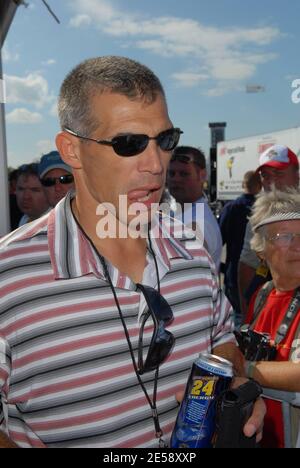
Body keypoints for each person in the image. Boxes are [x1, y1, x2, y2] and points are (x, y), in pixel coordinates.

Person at [0, 56, 264, 448]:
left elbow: (222, 335)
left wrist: (230, 387)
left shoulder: (192, 249)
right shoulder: (9, 276)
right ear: (72, 150)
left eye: (166, 140)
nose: (156, 165)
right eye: (129, 144)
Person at [241, 188, 300, 448]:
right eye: (285, 236)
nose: (298, 245)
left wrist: (242, 368)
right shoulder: (263, 294)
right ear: (261, 250)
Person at [238, 145, 299, 316]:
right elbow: (247, 264)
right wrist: (247, 315)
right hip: (274, 307)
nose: (272, 182)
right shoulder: (259, 215)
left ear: (297, 174)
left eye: (279, 174)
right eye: (265, 176)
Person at [167, 146, 223, 271]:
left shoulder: (197, 224)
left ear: (202, 176)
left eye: (184, 174)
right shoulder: (177, 211)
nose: (176, 179)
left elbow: (181, 274)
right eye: (171, 173)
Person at [219, 171, 262, 326]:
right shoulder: (265, 210)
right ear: (260, 185)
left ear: (243, 185)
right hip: (261, 277)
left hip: (233, 275)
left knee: (236, 319)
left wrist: (222, 267)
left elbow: (218, 242)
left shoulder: (231, 208)